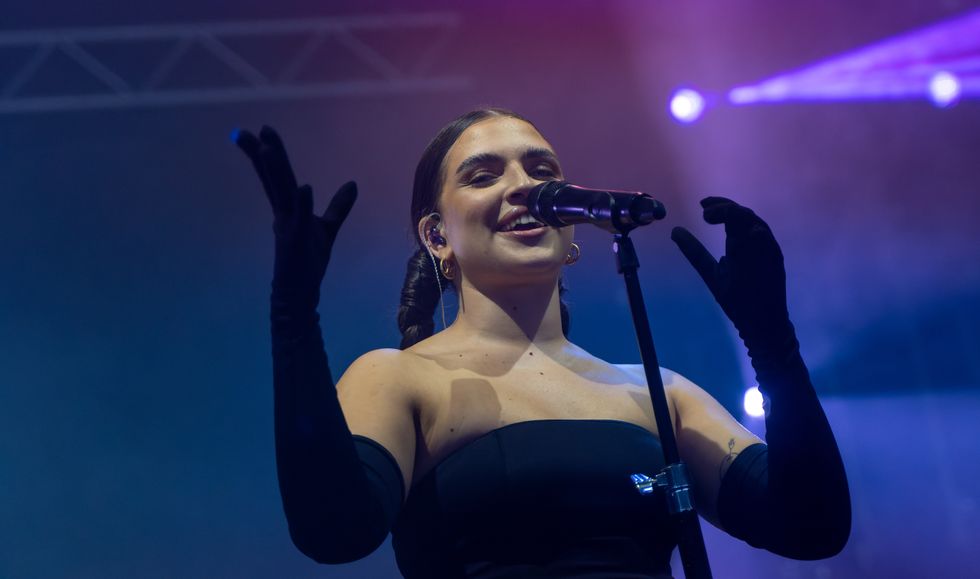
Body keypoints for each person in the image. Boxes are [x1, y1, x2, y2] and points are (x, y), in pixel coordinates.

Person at [234, 108, 850, 578]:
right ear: (436, 236)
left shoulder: (659, 392)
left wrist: (772, 345)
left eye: (542, 171)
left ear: (574, 227)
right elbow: (333, 533)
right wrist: (293, 317)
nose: (523, 187)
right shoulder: (397, 378)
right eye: (483, 176)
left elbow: (810, 525)